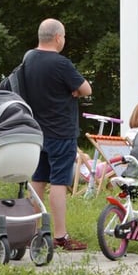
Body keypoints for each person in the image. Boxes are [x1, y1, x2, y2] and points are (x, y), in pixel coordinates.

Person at [24, 18, 92, 251]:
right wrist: (71, 89)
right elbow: (86, 89)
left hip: (35, 131)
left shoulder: (29, 59)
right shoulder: (60, 63)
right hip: (61, 132)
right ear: (57, 38)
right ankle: (61, 235)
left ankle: (32, 232)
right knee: (59, 183)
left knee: (37, 181)